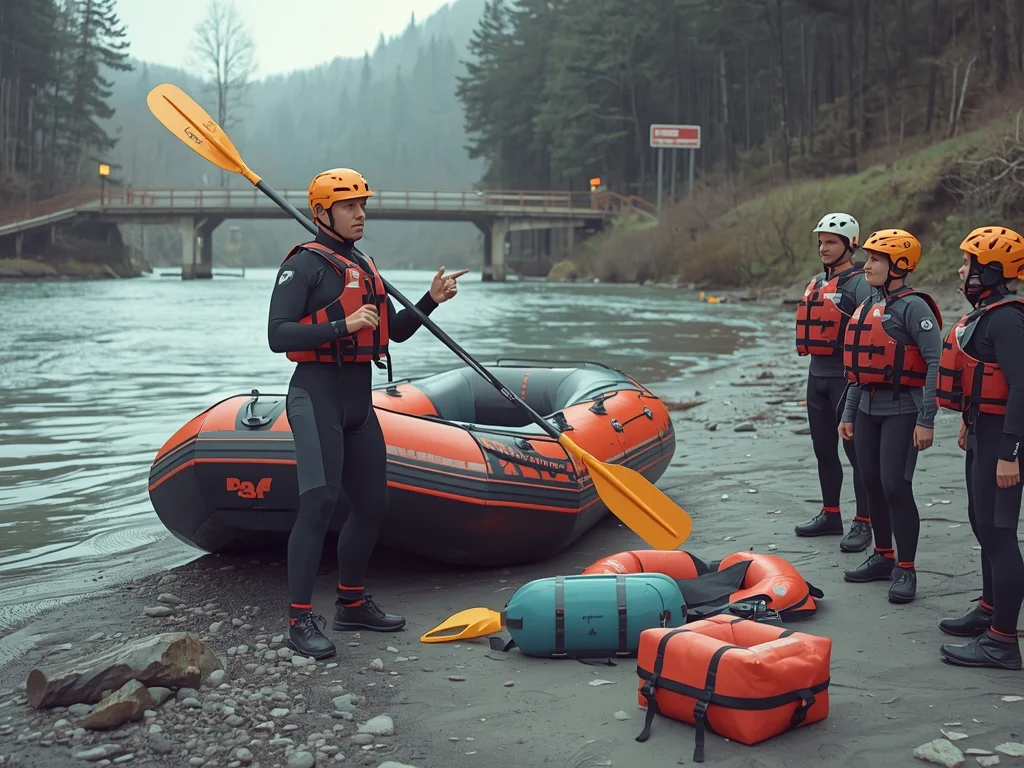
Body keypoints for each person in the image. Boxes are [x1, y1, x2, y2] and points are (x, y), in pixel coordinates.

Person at [267, 168, 468, 659]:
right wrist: (341, 322)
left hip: (359, 405)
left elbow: (392, 332)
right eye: (349, 206)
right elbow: (278, 335)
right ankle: (298, 621)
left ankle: (351, 604)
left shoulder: (361, 262)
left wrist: (430, 301)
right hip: (316, 399)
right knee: (318, 505)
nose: (360, 213)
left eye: (363, 204)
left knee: (373, 506)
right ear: (322, 213)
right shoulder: (304, 266)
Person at [935, 226, 1024, 671]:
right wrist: (970, 423)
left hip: (1004, 440)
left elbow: (1022, 386)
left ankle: (1003, 643)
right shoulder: (987, 312)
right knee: (981, 523)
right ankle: (989, 610)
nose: (960, 269)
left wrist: (1010, 452)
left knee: (1000, 533)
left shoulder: (1008, 318)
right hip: (984, 431)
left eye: (968, 262)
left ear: (990, 271)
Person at [838, 229, 942, 604]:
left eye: (875, 260)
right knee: (871, 482)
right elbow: (858, 369)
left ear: (899, 265)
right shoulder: (868, 305)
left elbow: (936, 363)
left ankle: (906, 568)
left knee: (895, 486)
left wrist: (927, 418)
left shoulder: (915, 307)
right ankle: (883, 556)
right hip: (867, 408)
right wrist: (849, 414)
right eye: (868, 259)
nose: (867, 266)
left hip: (903, 410)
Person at [793, 212, 873, 552]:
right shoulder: (816, 282)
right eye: (821, 241)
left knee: (857, 454)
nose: (823, 248)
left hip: (846, 381)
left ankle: (865, 522)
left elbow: (875, 333)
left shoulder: (860, 284)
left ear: (849, 245)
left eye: (831, 242)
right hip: (817, 377)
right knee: (823, 448)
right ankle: (831, 514)